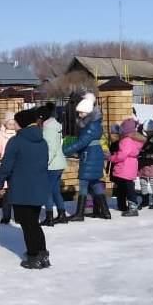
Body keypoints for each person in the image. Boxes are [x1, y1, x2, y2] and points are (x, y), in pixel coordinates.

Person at [0, 108, 51, 269]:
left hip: (21, 189)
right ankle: (42, 254)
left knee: (28, 225)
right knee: (34, 222)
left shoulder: (16, 141)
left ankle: (33, 257)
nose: (15, 126)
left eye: (16, 123)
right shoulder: (42, 141)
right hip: (39, 187)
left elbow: (6, 166)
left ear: (22, 124)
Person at [63, 92, 111, 221]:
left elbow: (82, 142)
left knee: (83, 183)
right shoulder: (94, 124)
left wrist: (66, 151)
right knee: (95, 183)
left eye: (82, 113)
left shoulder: (90, 126)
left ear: (89, 112)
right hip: (93, 155)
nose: (79, 115)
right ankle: (105, 212)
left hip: (89, 156)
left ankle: (79, 213)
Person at [38, 104, 69, 226]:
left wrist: (44, 163)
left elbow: (51, 148)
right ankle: (62, 214)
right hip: (58, 163)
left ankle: (49, 217)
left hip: (52, 165)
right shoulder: (54, 126)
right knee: (55, 190)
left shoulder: (49, 128)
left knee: (47, 191)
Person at [108, 118, 143, 217]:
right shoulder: (134, 140)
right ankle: (125, 205)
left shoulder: (126, 140)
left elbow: (121, 155)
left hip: (124, 167)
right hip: (130, 166)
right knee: (127, 187)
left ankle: (132, 208)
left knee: (126, 188)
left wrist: (111, 157)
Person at [0, 117, 19, 225]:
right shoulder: (2, 135)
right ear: (5, 124)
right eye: (9, 123)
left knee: (17, 193)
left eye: (13, 123)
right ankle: (6, 216)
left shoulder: (18, 134)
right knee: (7, 195)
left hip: (17, 166)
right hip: (6, 164)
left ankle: (18, 216)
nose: (11, 125)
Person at [137, 118, 153, 208]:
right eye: (147, 132)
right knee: (142, 180)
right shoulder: (139, 137)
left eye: (151, 132)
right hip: (142, 162)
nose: (149, 134)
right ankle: (145, 200)